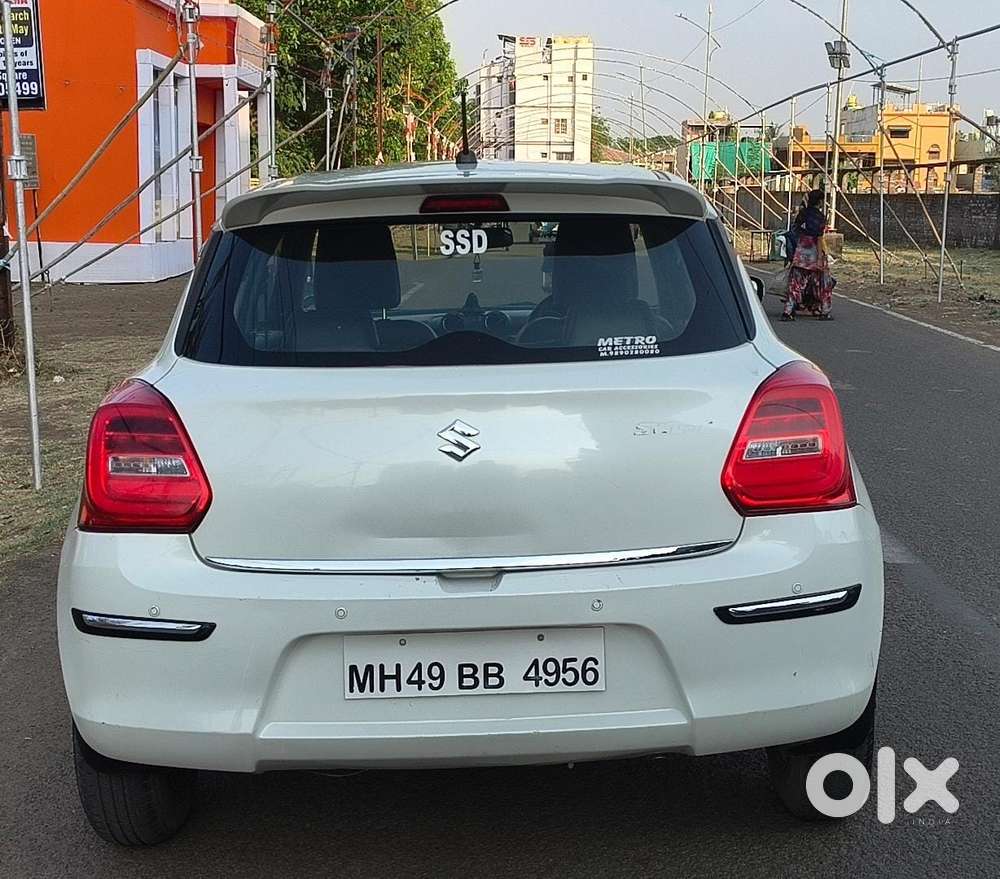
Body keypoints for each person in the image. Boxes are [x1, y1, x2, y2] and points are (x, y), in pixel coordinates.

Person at [782, 189, 835, 321]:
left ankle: (788, 311)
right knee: (823, 283)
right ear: (820, 201)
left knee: (795, 283)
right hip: (814, 253)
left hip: (801, 253)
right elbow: (819, 238)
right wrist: (819, 258)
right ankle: (824, 311)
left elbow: (795, 230)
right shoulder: (820, 217)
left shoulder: (803, 214)